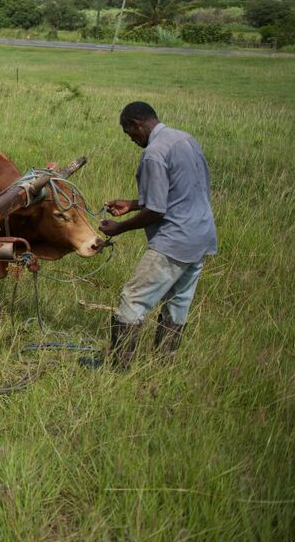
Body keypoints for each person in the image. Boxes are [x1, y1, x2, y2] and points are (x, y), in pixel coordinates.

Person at [92, 101, 218, 371]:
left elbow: (157, 211)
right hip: (201, 235)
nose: (133, 140)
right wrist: (133, 203)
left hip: (175, 240)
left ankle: (118, 369)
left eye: (131, 134)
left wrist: (120, 227)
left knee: (133, 298)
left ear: (137, 124)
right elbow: (180, 191)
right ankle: (163, 365)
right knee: (178, 302)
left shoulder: (153, 153)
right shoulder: (185, 139)